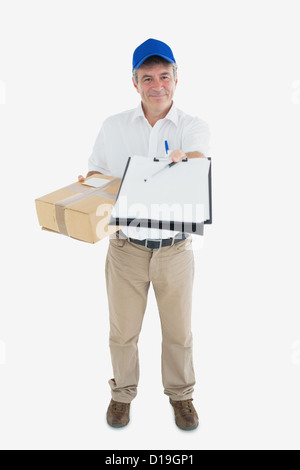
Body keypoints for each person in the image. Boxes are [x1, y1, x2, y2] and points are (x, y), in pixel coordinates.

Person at [78, 38, 210, 431]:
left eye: (164, 76)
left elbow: (200, 158)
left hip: (174, 249)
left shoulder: (192, 126)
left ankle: (181, 397)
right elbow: (98, 172)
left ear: (175, 79)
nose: (157, 85)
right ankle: (122, 396)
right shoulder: (113, 126)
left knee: (178, 331)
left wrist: (184, 158)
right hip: (126, 248)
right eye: (147, 77)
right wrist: (89, 183)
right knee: (122, 330)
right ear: (134, 82)